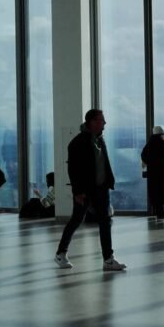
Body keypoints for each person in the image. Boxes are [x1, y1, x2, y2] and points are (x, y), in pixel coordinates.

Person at [55, 109, 126, 272]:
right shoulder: (77, 143)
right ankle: (61, 253)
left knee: (105, 221)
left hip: (101, 188)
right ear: (92, 122)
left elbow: (103, 162)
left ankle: (108, 260)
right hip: (85, 190)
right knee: (77, 219)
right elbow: (73, 169)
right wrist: (77, 192)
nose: (105, 123)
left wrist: (108, 181)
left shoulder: (100, 140)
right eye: (101, 120)